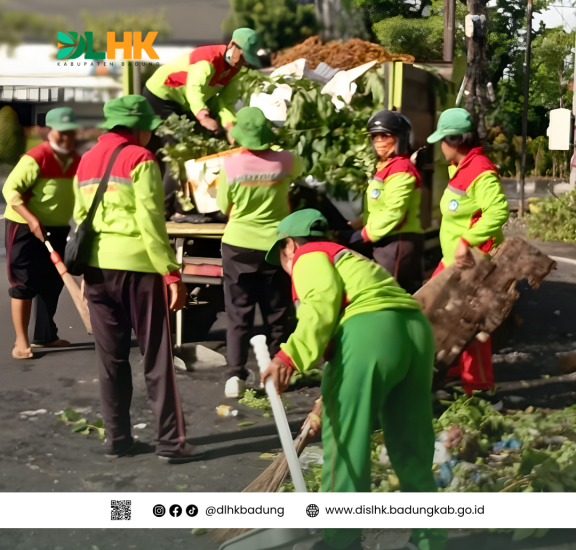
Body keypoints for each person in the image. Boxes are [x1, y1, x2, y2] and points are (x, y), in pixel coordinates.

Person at [259, 209, 445, 550]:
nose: (287, 266)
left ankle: (340, 539)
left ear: (289, 245)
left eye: (282, 257)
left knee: (345, 444)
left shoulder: (308, 255)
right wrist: (322, 406)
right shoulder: (349, 257)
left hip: (370, 331)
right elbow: (345, 353)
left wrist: (288, 356)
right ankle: (428, 540)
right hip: (414, 333)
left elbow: (321, 306)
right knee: (411, 445)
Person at [73, 95, 204, 463]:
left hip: (97, 269)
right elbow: (150, 220)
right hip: (139, 270)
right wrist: (171, 272)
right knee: (157, 357)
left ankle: (117, 439)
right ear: (138, 127)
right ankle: (170, 443)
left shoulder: (86, 161)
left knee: (111, 360)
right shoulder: (140, 158)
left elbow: (82, 218)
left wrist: (86, 272)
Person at [216, 107, 300, 398]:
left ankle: (234, 376)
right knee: (278, 312)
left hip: (238, 245)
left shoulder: (230, 165)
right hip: (275, 246)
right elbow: (302, 170)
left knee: (239, 315)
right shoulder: (285, 160)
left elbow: (222, 206)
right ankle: (279, 373)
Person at [426, 108, 509, 395]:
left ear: (454, 141)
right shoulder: (462, 167)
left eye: (442, 140)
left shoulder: (480, 171)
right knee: (441, 318)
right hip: (452, 263)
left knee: (471, 328)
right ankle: (453, 373)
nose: (440, 146)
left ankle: (481, 390)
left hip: (473, 263)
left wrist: (466, 240)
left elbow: (498, 210)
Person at [3, 108, 81, 358]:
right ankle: (21, 342)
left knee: (51, 283)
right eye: (61, 132)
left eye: (71, 132)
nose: (66, 138)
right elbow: (11, 191)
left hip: (57, 227)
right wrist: (32, 220)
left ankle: (45, 337)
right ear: (49, 132)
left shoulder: (76, 159)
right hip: (25, 226)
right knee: (23, 283)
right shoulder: (36, 157)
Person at [347, 109, 424, 293]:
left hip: (397, 243)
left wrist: (364, 234)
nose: (379, 142)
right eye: (375, 137)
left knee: (391, 297)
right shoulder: (386, 167)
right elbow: (379, 207)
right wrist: (358, 225)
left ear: (400, 138)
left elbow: (394, 212)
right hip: (385, 240)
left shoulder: (401, 169)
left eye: (386, 136)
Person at [142, 27, 262, 134]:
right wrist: (203, 116)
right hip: (162, 94)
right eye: (241, 56)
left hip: (186, 103)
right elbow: (193, 88)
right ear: (231, 44)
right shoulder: (208, 60)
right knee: (176, 139)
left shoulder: (234, 71)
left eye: (246, 60)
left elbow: (225, 101)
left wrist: (229, 124)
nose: (242, 63)